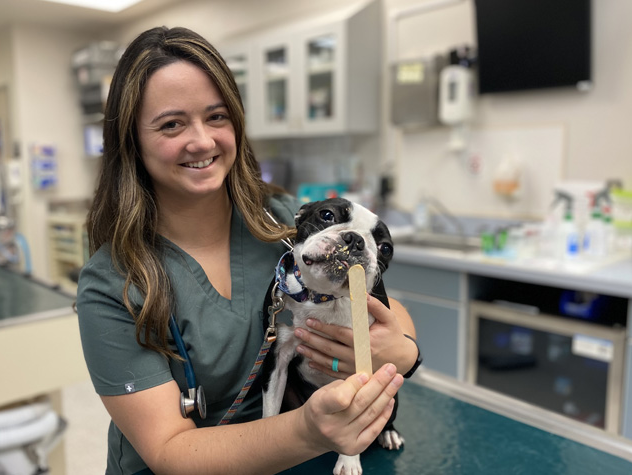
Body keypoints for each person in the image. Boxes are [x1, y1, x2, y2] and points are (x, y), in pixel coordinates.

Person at [76, 26, 419, 475]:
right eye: (172, 124)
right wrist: (306, 431)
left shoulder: (281, 221)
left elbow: (382, 307)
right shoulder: (111, 285)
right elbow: (169, 453)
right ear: (132, 142)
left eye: (216, 116)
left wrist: (402, 352)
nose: (202, 141)